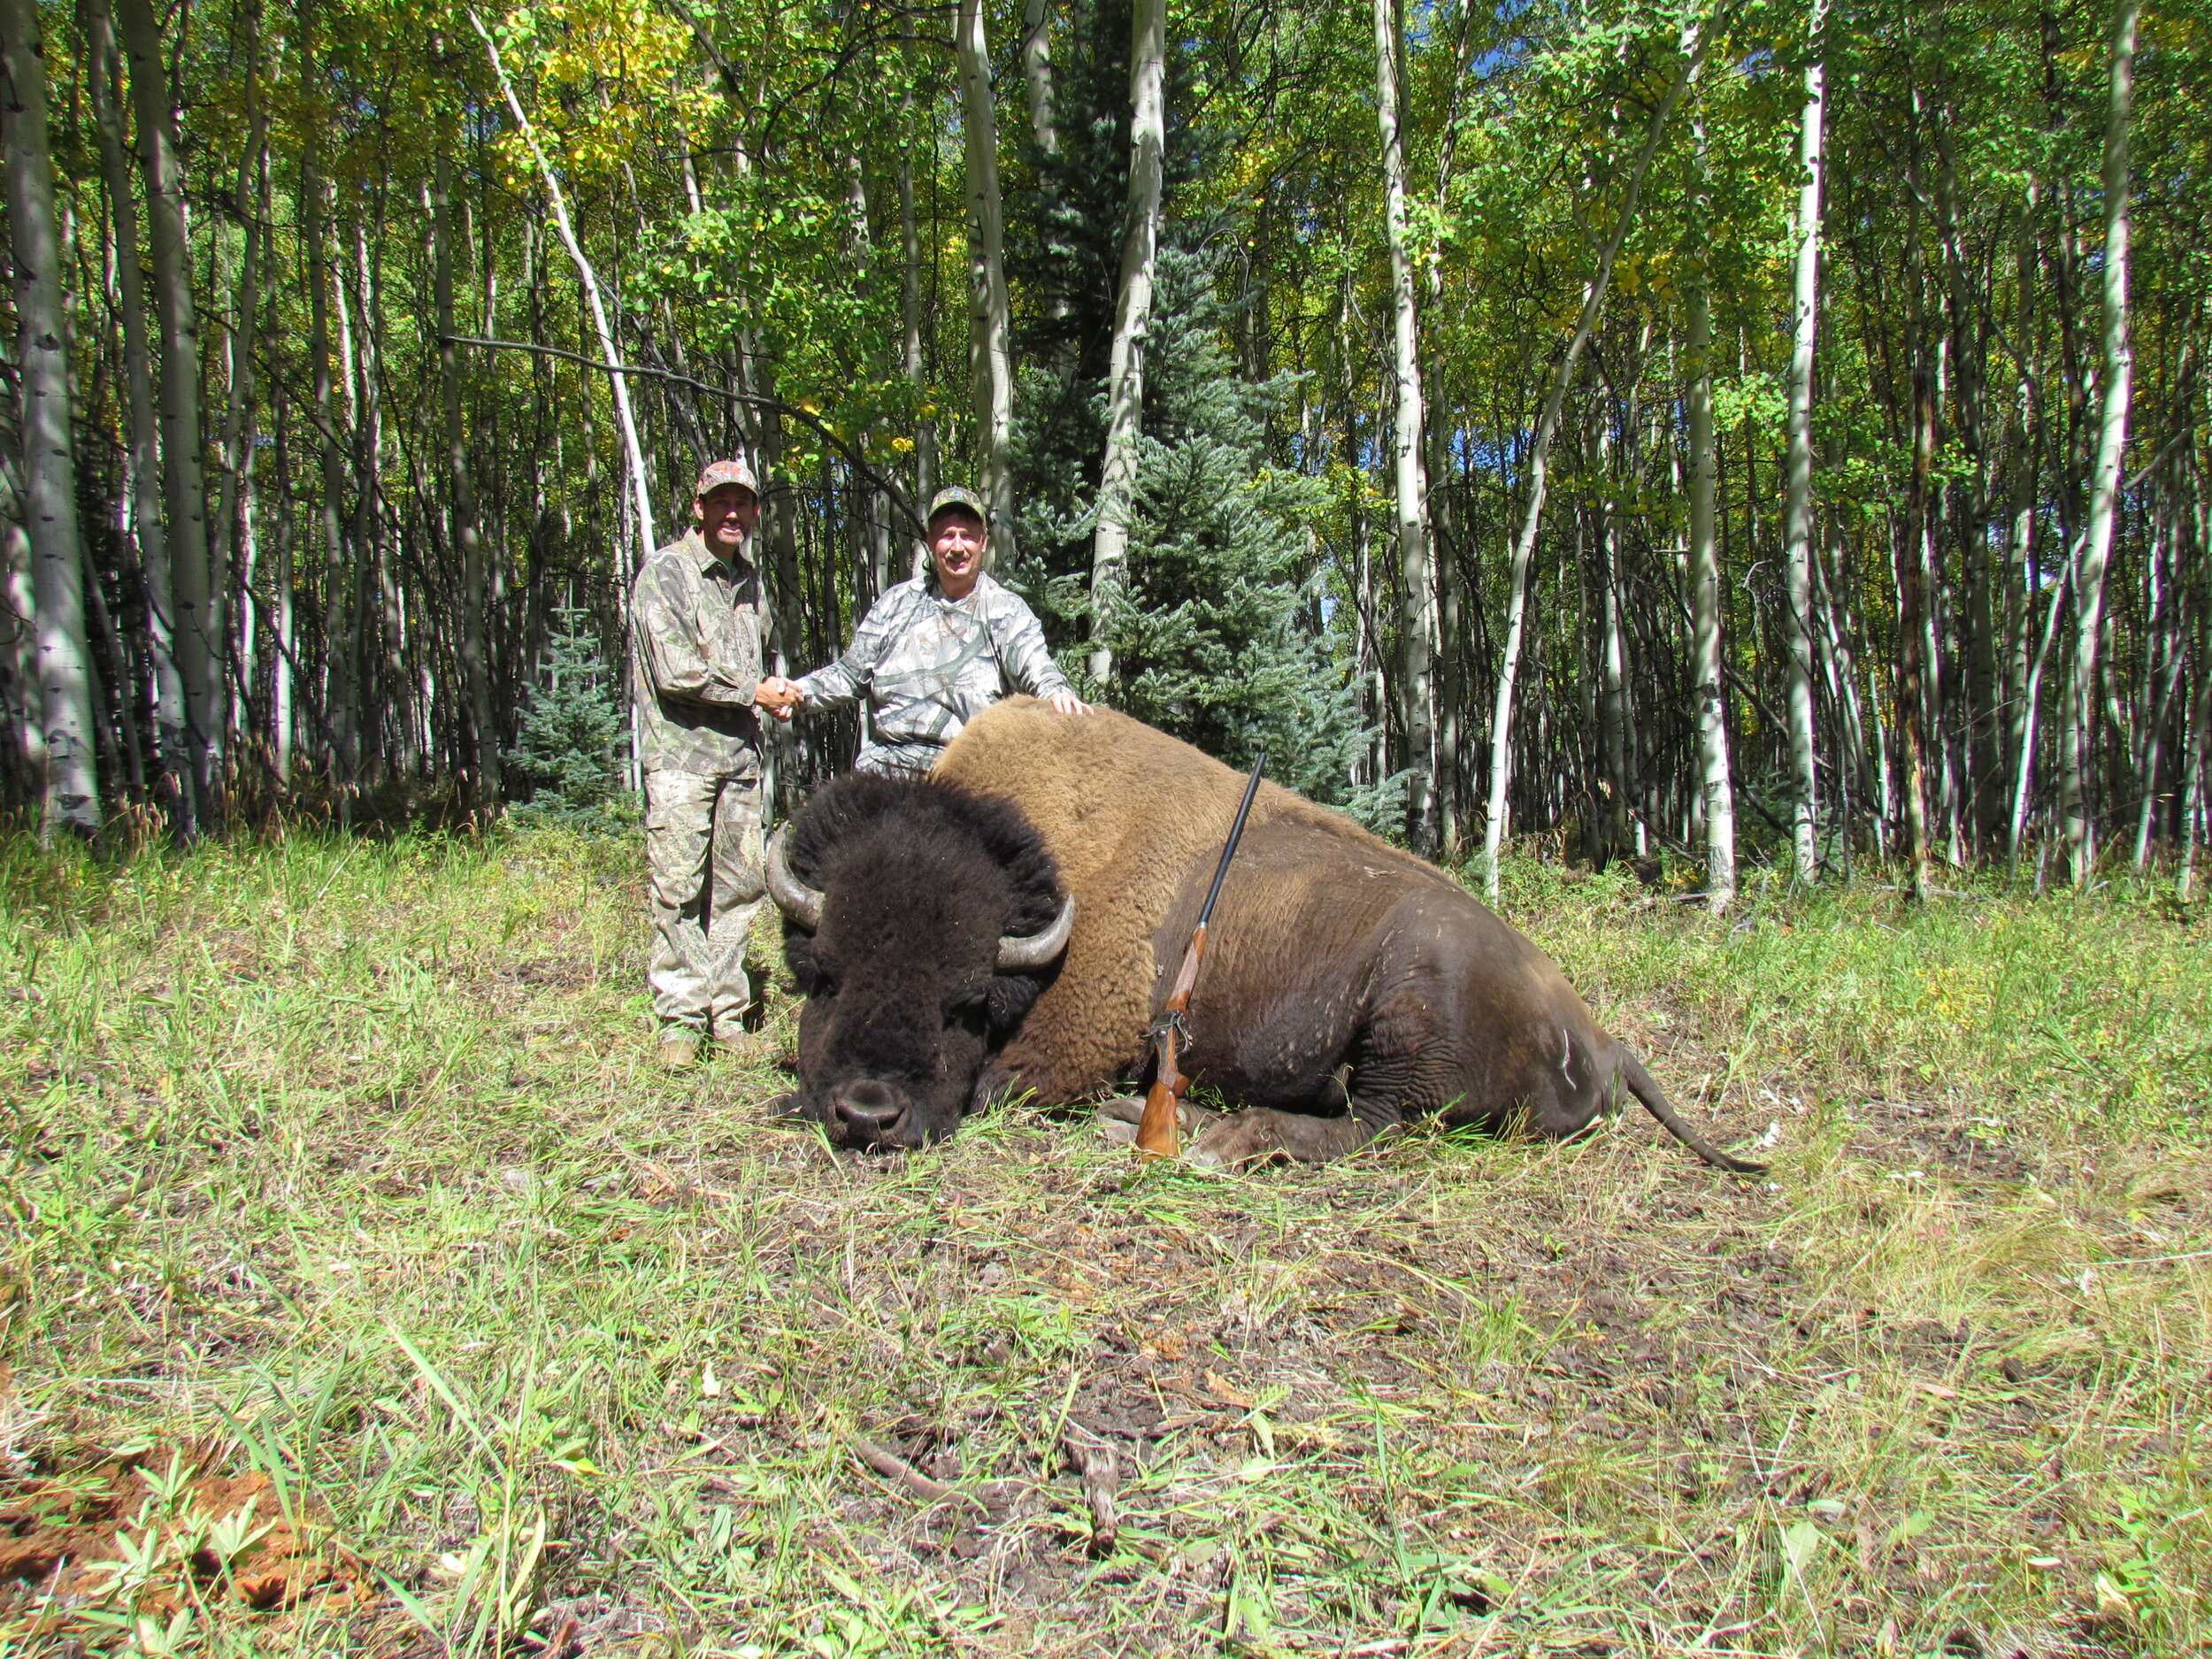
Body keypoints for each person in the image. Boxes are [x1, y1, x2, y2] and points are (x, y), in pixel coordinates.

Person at [633, 459, 790, 1071]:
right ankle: (679, 1020)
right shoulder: (665, 575)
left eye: (742, 504)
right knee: (678, 890)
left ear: (753, 513)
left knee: (738, 889)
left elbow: (757, 657)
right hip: (680, 761)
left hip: (740, 764)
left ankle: (727, 1014)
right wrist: (755, 691)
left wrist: (772, 695)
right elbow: (675, 673)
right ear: (697, 507)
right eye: (719, 502)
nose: (732, 513)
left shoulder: (750, 581)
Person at [756, 485, 1087, 773]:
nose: (958, 547)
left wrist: (1056, 693)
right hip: (886, 767)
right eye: (947, 535)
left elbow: (1038, 670)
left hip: (966, 772)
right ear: (930, 540)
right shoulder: (895, 604)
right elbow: (850, 674)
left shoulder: (1006, 611)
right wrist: (797, 692)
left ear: (983, 542)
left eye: (968, 536)